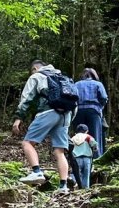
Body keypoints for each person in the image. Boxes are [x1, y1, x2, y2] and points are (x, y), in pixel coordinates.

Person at [12, 60, 76, 194]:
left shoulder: (36, 76)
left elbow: (27, 98)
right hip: (66, 115)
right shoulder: (62, 77)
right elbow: (75, 100)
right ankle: (63, 186)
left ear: (35, 68)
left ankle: (37, 172)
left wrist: (18, 118)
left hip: (48, 112)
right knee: (60, 151)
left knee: (27, 143)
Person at [74, 68, 108, 156]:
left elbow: (72, 97)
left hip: (79, 111)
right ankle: (96, 159)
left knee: (79, 135)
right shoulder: (98, 84)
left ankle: (79, 157)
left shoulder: (76, 84)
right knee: (95, 135)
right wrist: (100, 106)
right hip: (94, 111)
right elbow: (104, 98)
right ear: (94, 75)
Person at [70, 123, 99, 189]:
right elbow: (94, 145)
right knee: (86, 175)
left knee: (76, 174)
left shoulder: (73, 138)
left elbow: (69, 147)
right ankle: (85, 189)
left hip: (76, 159)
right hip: (87, 158)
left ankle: (75, 185)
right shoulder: (88, 137)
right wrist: (95, 149)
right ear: (86, 131)